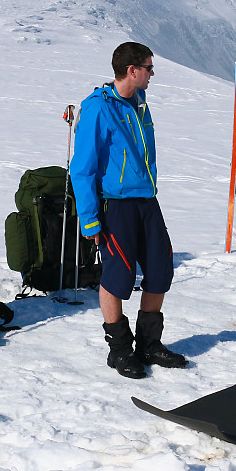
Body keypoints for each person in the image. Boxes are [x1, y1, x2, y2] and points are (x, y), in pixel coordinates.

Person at [70, 42, 188, 379]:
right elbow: (82, 169)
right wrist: (90, 219)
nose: (152, 74)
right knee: (117, 277)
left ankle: (148, 345)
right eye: (148, 68)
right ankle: (120, 351)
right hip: (115, 204)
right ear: (131, 70)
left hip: (147, 201)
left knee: (160, 271)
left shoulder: (139, 104)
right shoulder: (97, 108)